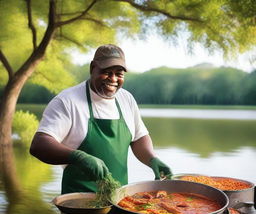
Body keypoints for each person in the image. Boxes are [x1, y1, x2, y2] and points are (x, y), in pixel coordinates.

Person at [30, 44, 172, 194]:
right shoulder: (67, 101)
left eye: (119, 74)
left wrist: (152, 159)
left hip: (120, 199)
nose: (113, 79)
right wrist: (78, 157)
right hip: (79, 202)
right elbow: (39, 145)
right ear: (92, 68)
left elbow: (138, 137)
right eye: (106, 72)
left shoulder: (126, 99)